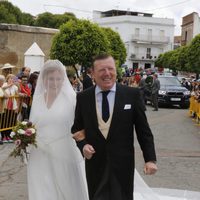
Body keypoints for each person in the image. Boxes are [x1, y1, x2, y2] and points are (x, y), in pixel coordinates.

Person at [71, 54, 157, 200]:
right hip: (95, 165)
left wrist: (150, 159)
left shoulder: (132, 95)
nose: (107, 73)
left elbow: (144, 131)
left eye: (110, 69)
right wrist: (83, 146)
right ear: (92, 73)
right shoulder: (83, 97)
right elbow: (77, 128)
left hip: (122, 165)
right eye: (102, 70)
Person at [27, 60, 88, 200]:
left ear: (63, 79)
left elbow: (80, 124)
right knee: (42, 185)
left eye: (58, 79)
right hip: (40, 152)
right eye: (51, 79)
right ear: (44, 79)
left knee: (66, 185)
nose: (54, 83)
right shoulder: (38, 99)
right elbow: (33, 124)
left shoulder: (72, 99)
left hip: (64, 150)